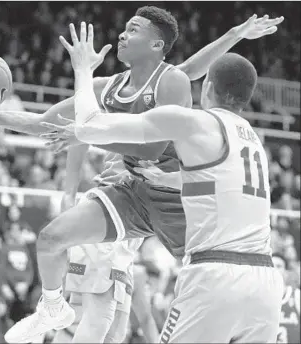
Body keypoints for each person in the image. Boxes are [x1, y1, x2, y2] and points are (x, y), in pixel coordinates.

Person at [0, 8, 284, 343]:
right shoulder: (104, 87)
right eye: (124, 27)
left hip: (179, 198)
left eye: (133, 29)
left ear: (156, 44)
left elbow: (154, 145)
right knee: (52, 239)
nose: (123, 34)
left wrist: (235, 34)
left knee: (195, 273)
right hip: (132, 193)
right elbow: (43, 124)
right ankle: (51, 306)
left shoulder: (171, 80)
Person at [51, 22, 285, 342]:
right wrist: (169, 178)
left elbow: (91, 125)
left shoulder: (194, 122)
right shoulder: (253, 141)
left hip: (214, 274)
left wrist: (82, 71)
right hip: (266, 282)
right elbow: (212, 183)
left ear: (206, 88)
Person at [272, 253, 300, 344]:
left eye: (279, 266)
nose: (275, 269)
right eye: (271, 266)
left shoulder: (297, 295)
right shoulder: (258, 298)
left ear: (286, 271)